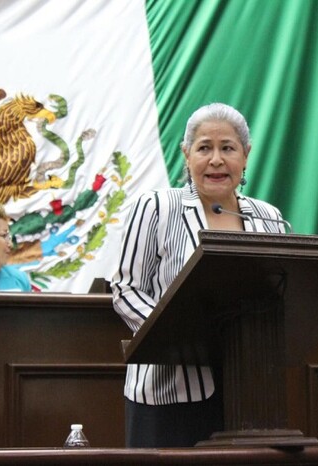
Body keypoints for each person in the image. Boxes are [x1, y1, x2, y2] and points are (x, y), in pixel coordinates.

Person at [111, 103, 286, 448]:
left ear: (246, 156)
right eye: (205, 147)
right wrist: (176, 336)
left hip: (248, 388)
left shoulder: (269, 218)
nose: (216, 160)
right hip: (169, 384)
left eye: (228, 148)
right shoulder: (157, 207)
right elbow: (125, 289)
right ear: (186, 154)